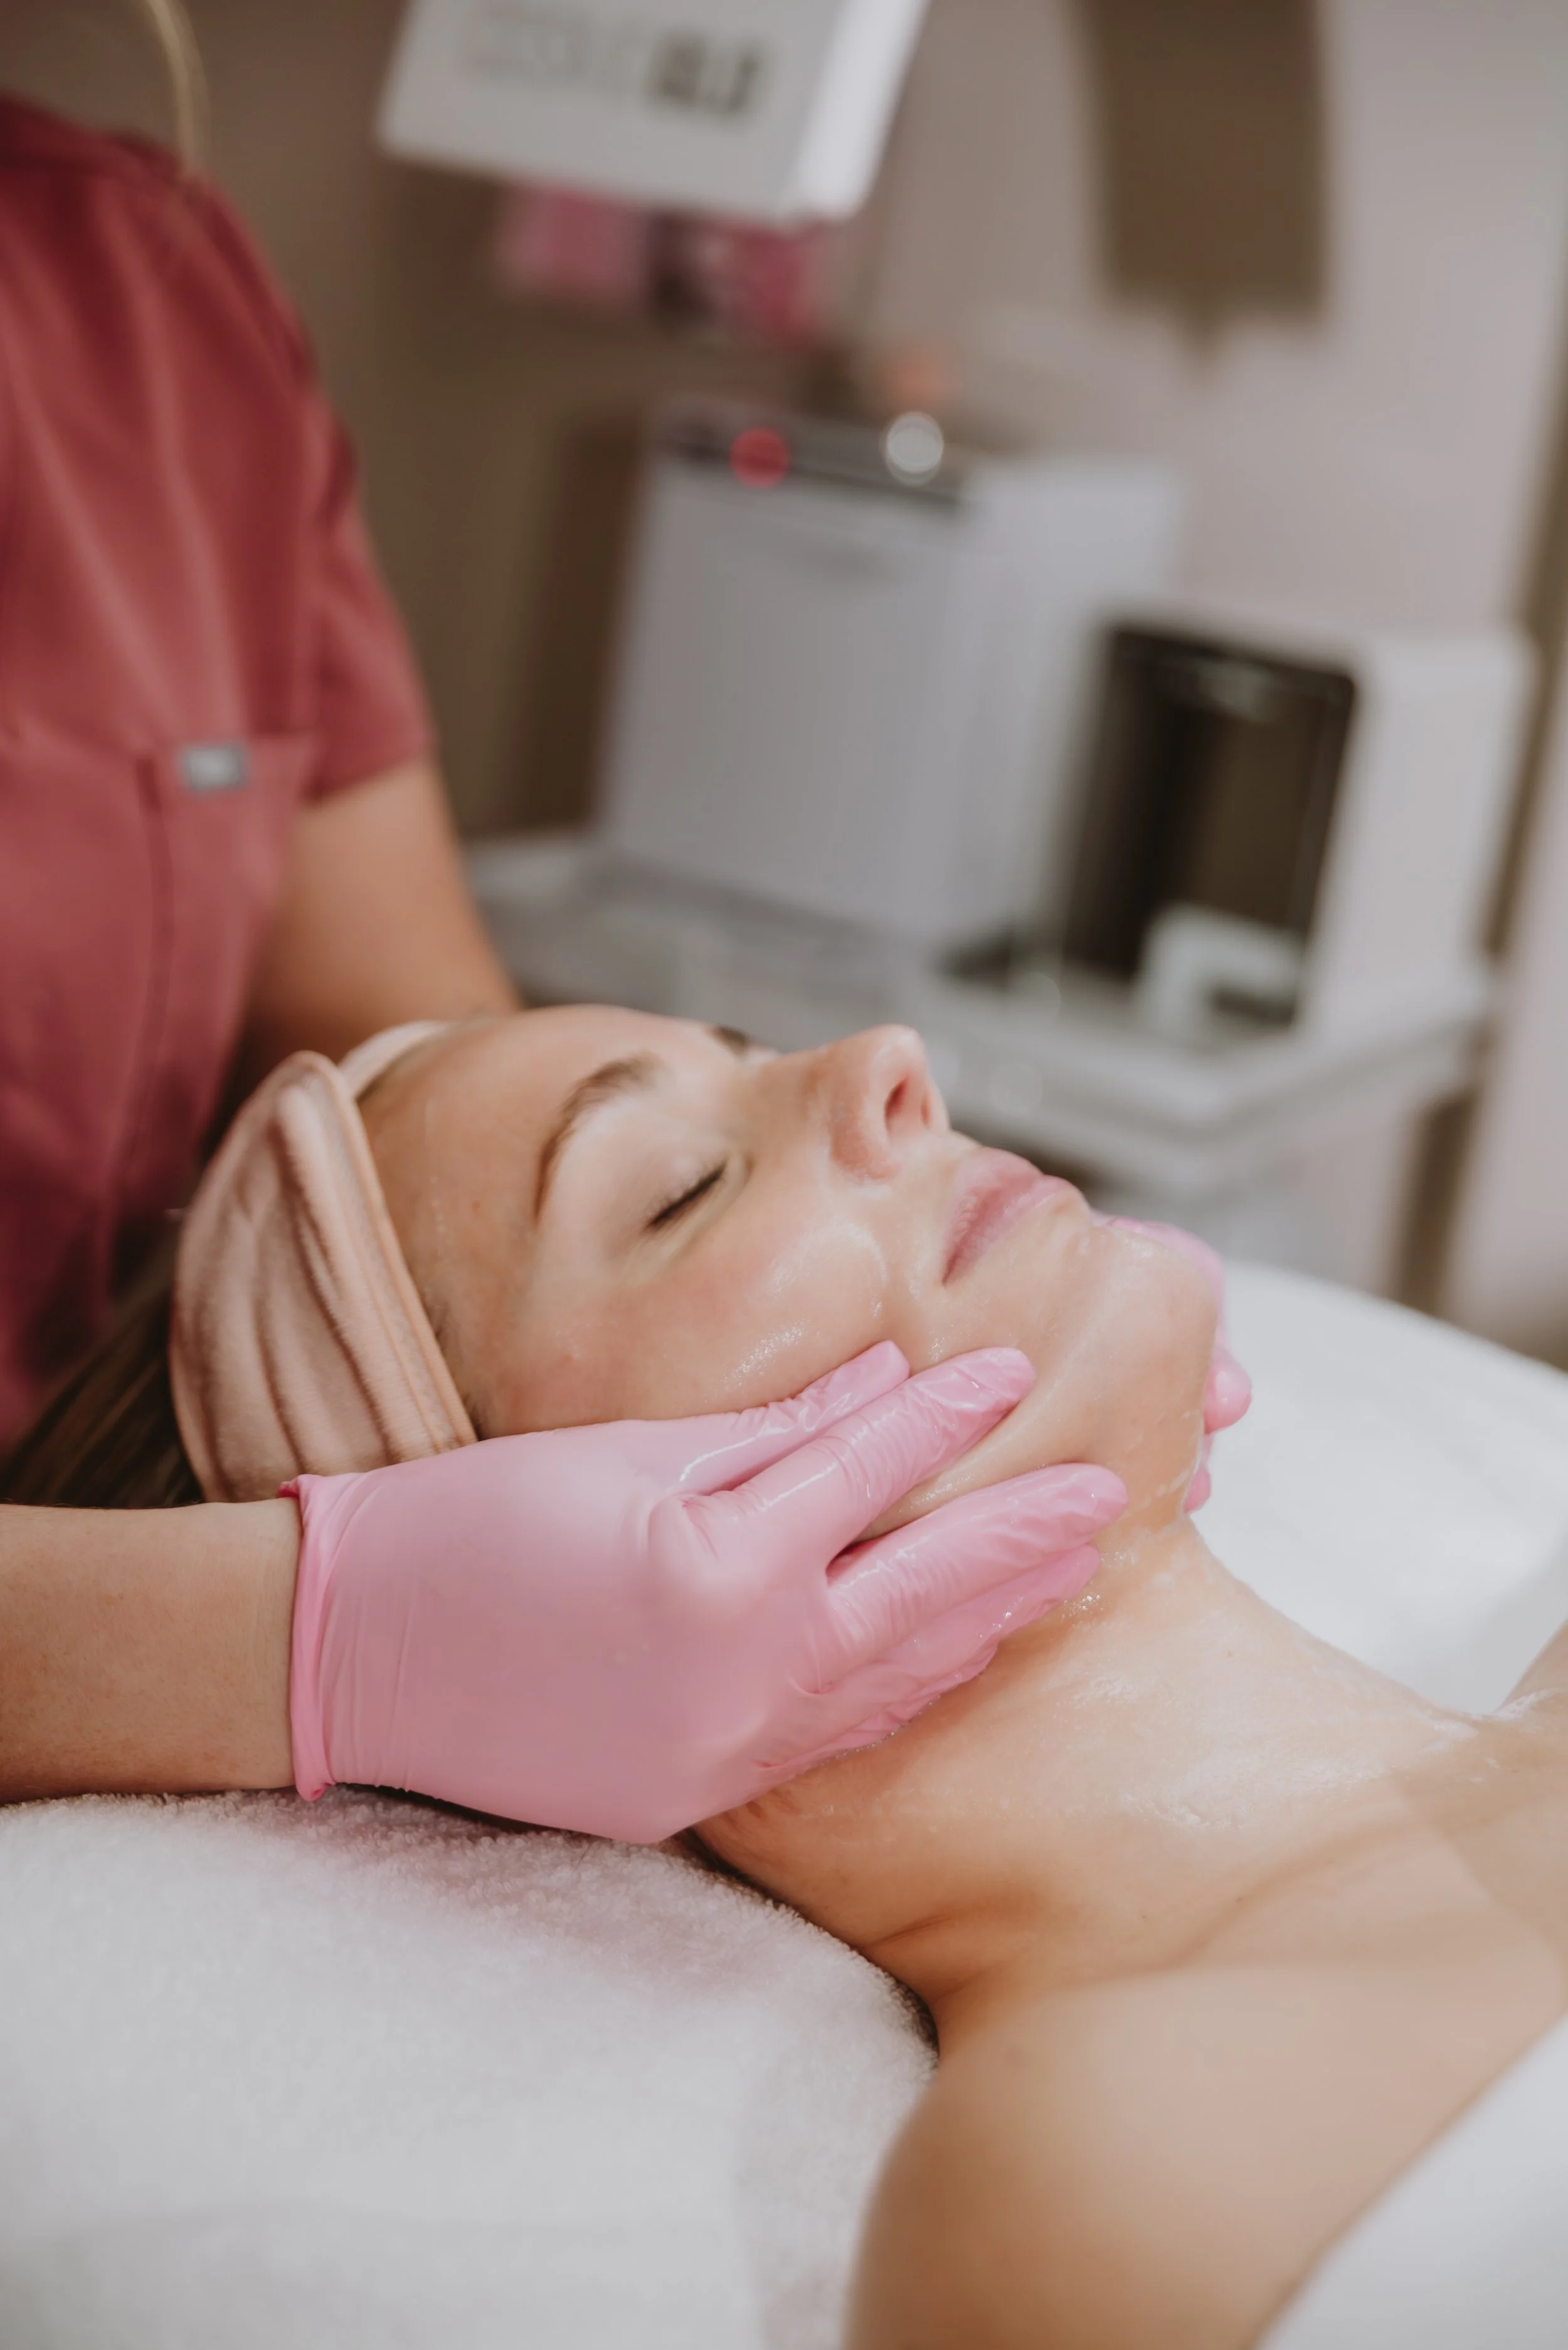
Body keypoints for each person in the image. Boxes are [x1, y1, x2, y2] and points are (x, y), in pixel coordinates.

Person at [0, 75, 1191, 1829]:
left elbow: (429, 1133)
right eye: (674, 1195)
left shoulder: (129, 276)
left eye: (688, 1144)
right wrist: (300, 1641)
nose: (891, 1058)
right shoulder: (1121, 2080)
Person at [72, 1003, 1567, 2347]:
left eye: (745, 1051)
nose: (886, 1055)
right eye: (679, 1186)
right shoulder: (1115, 2186)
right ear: (548, 1631)